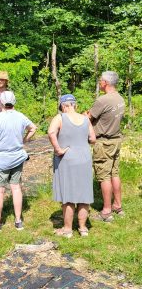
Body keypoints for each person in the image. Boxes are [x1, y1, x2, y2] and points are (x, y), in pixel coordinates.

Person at [0, 91, 36, 232]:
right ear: (14, 102)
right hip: (17, 157)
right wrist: (24, 140)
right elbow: (33, 128)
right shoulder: (20, 116)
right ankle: (18, 221)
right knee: (16, 187)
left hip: (1, 159)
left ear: (1, 103)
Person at [48, 94, 96, 237]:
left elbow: (51, 132)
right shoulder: (85, 119)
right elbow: (93, 139)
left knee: (68, 195)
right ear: (74, 105)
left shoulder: (60, 118)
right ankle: (83, 228)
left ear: (63, 106)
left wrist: (58, 149)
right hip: (84, 158)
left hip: (67, 158)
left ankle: (67, 229)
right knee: (84, 194)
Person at [86, 71, 125, 222]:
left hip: (104, 142)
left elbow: (88, 118)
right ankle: (118, 205)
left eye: (100, 80)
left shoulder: (103, 100)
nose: (99, 82)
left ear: (106, 83)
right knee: (115, 173)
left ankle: (106, 211)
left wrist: (84, 115)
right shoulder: (120, 98)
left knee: (104, 176)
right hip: (116, 139)